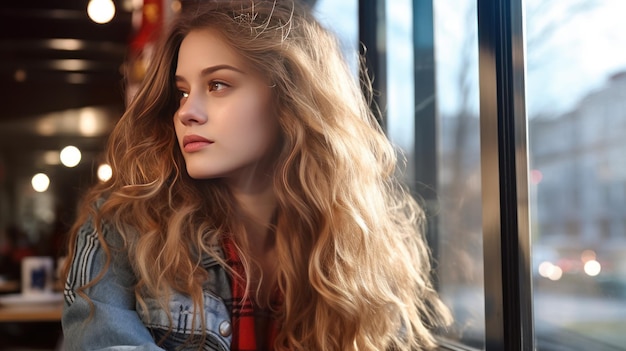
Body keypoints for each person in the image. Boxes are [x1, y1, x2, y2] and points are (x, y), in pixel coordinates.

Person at [61, 0, 452, 350]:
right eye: (182, 92)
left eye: (217, 84)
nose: (186, 111)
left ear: (289, 99)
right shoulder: (122, 225)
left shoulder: (356, 241)